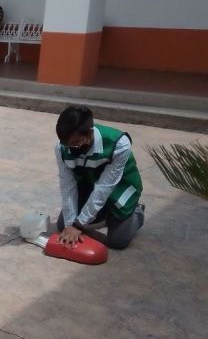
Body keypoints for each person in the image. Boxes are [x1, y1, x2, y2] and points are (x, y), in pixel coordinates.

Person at [55, 105, 145, 250]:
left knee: (117, 241)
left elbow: (105, 187)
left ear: (89, 133)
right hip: (90, 186)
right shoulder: (61, 148)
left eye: (75, 143)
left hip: (119, 191)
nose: (70, 148)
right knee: (62, 225)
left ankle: (137, 212)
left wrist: (79, 224)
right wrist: (71, 224)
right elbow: (67, 186)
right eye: (66, 143)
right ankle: (102, 216)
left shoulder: (119, 144)